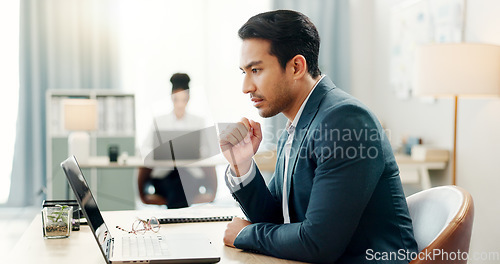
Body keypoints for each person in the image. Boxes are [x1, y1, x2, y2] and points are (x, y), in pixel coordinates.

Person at [218, 10, 418, 263]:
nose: (246, 87)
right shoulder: (297, 124)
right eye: (243, 72)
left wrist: (246, 234)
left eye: (256, 70)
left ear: (296, 67)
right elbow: (276, 220)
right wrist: (243, 164)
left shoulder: (345, 120)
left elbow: (318, 243)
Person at [138, 73, 210, 208]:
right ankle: (182, 222)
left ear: (188, 99)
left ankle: (173, 221)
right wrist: (158, 152)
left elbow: (207, 151)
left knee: (181, 186)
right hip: (164, 174)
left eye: (184, 99)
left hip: (190, 173)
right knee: (177, 188)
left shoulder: (198, 122)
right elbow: (144, 149)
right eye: (177, 99)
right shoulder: (159, 121)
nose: (180, 104)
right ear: (171, 98)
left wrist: (197, 152)